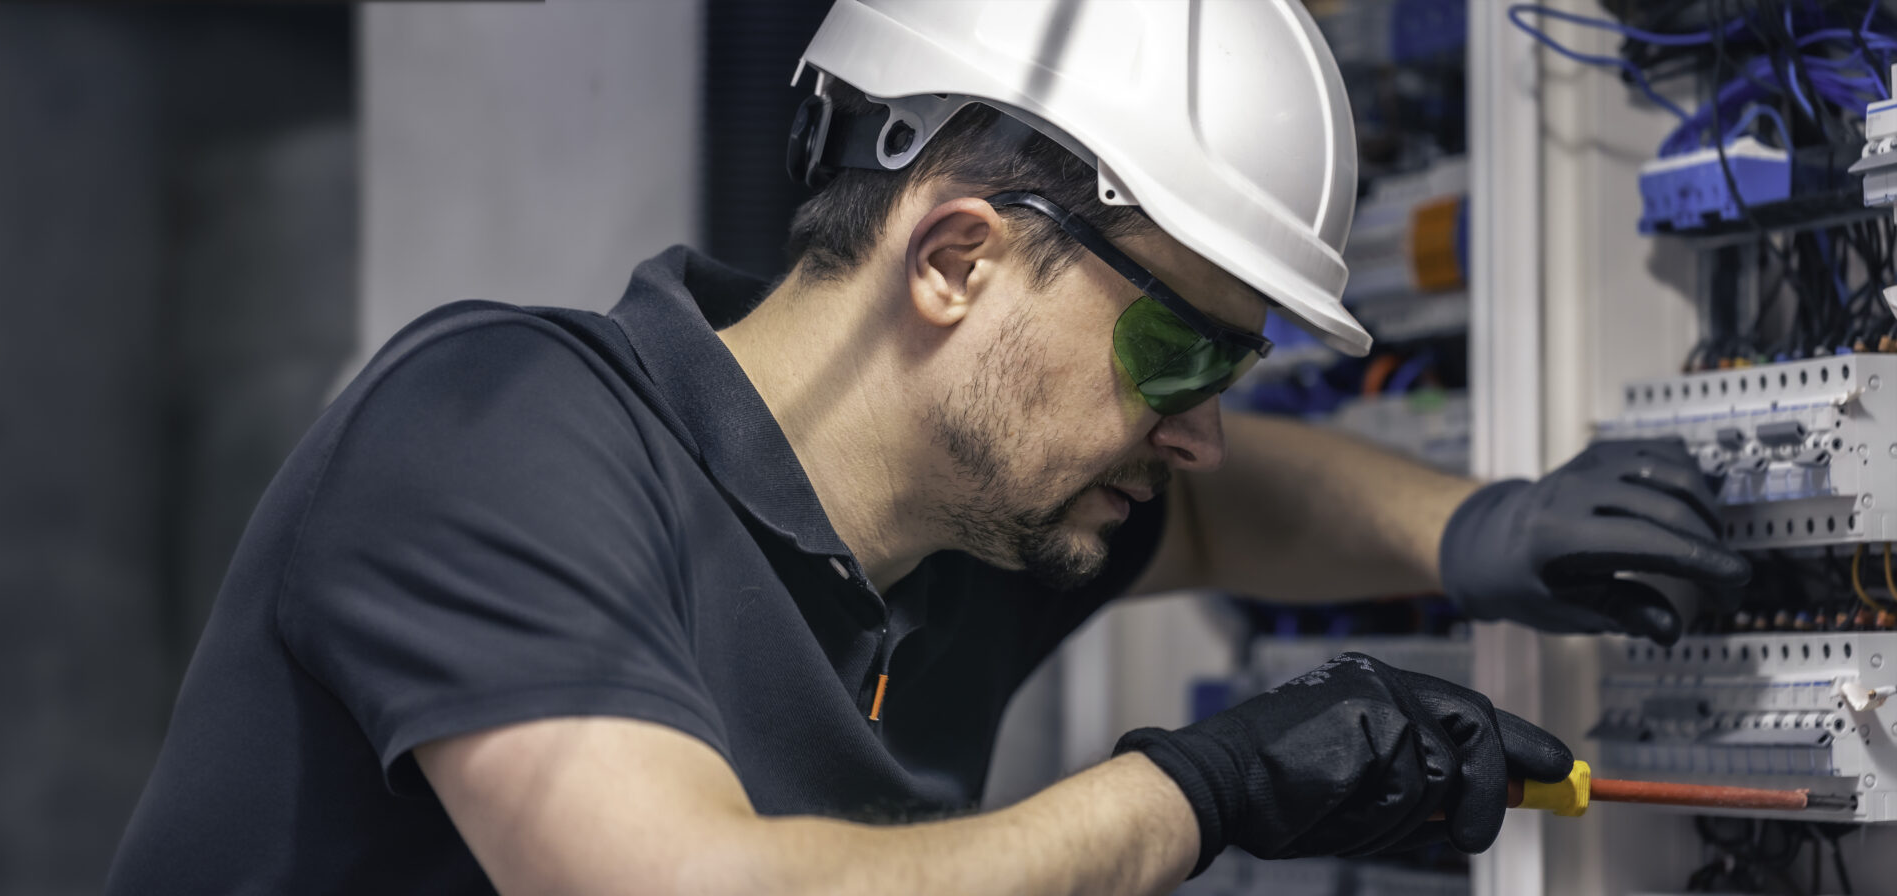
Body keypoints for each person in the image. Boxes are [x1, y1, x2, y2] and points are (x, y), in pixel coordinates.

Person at [105, 2, 1749, 893]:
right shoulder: (492, 435)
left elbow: (1230, 520)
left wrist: (1483, 533)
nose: (1199, 434)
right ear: (957, 258)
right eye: (1180, 350)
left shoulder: (974, 522)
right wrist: (1203, 789)